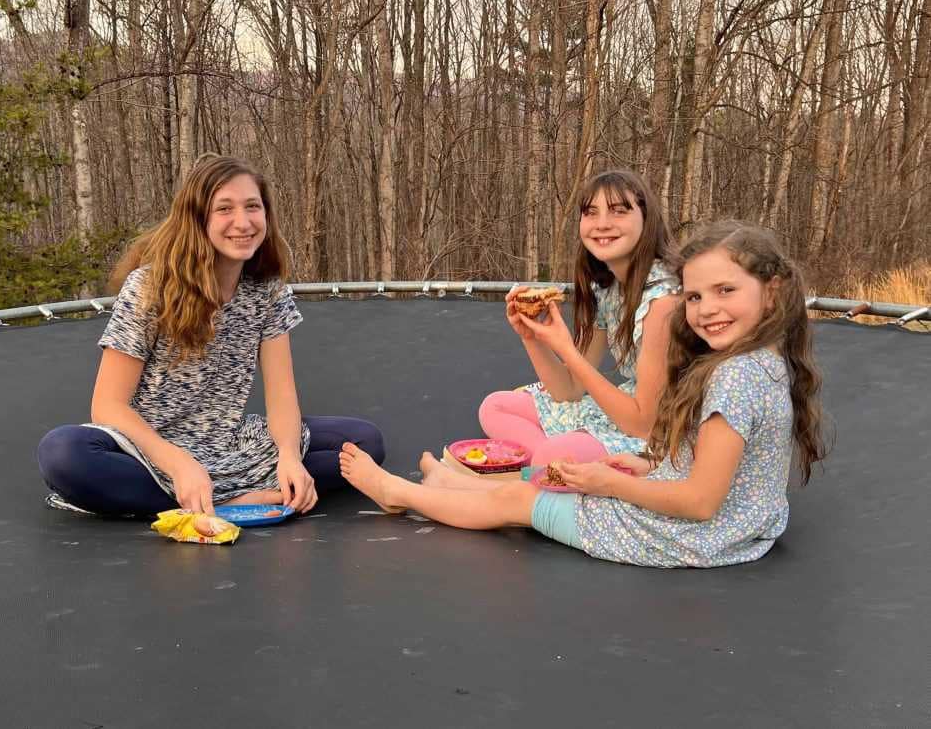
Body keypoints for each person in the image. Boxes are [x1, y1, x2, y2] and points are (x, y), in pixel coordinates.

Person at [340, 222, 827, 568]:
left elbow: (699, 502)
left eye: (725, 291)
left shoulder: (734, 376)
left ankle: (398, 492)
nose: (705, 310)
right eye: (696, 296)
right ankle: (449, 487)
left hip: (691, 537)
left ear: (774, 289)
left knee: (521, 503)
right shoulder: (764, 359)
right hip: (739, 530)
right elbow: (723, 467)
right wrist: (648, 468)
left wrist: (606, 483)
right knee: (544, 486)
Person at [37, 154, 384, 517]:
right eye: (224, 209)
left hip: (228, 441)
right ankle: (227, 501)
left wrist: (289, 457)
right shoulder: (150, 287)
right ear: (198, 218)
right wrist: (178, 464)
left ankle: (196, 497)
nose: (243, 222)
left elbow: (281, 393)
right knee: (62, 453)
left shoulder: (266, 290)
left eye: (253, 207)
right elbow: (108, 406)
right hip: (147, 449)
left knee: (363, 443)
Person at [479, 170, 679, 466]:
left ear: (646, 219)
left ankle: (550, 467)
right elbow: (569, 389)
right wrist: (531, 337)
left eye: (618, 211)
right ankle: (553, 467)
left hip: (663, 429)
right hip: (625, 409)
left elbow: (643, 425)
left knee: (554, 455)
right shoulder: (608, 289)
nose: (602, 224)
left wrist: (568, 352)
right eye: (590, 212)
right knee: (494, 407)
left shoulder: (663, 302)